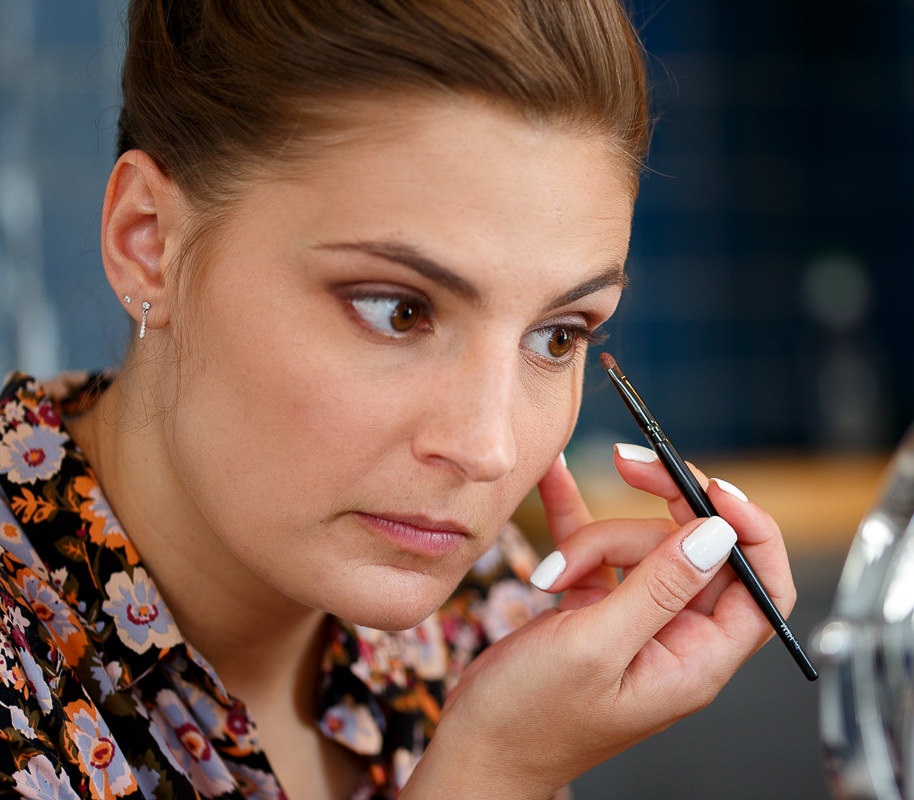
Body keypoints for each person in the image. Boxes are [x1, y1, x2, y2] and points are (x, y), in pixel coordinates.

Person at [0, 1, 797, 797]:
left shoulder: (489, 616)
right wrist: (491, 774)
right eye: (398, 311)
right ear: (148, 243)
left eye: (558, 336)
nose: (488, 449)